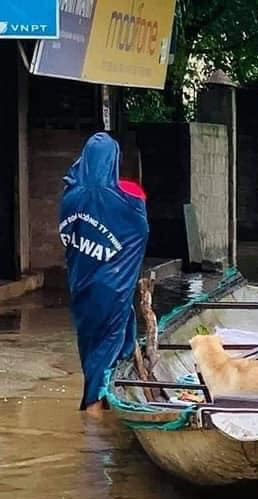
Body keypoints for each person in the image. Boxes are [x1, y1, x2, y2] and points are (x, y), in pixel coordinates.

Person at [59, 132, 149, 416]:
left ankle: (99, 406)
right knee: (106, 351)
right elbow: (140, 230)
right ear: (113, 161)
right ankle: (95, 426)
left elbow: (68, 238)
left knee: (91, 349)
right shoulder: (123, 200)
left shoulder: (70, 197)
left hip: (80, 287)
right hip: (112, 290)